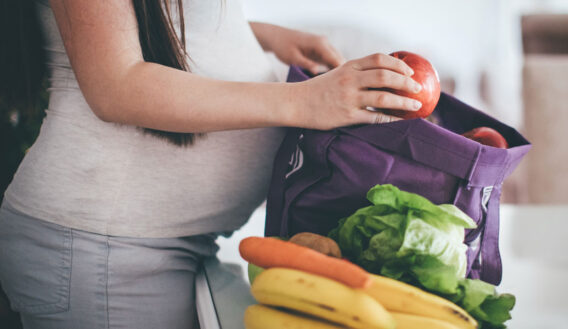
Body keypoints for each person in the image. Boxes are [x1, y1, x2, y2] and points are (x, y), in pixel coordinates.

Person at [0, 0, 424, 328]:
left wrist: (259, 36)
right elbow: (115, 85)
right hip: (106, 249)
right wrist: (308, 100)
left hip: (146, 244)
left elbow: (145, 18)